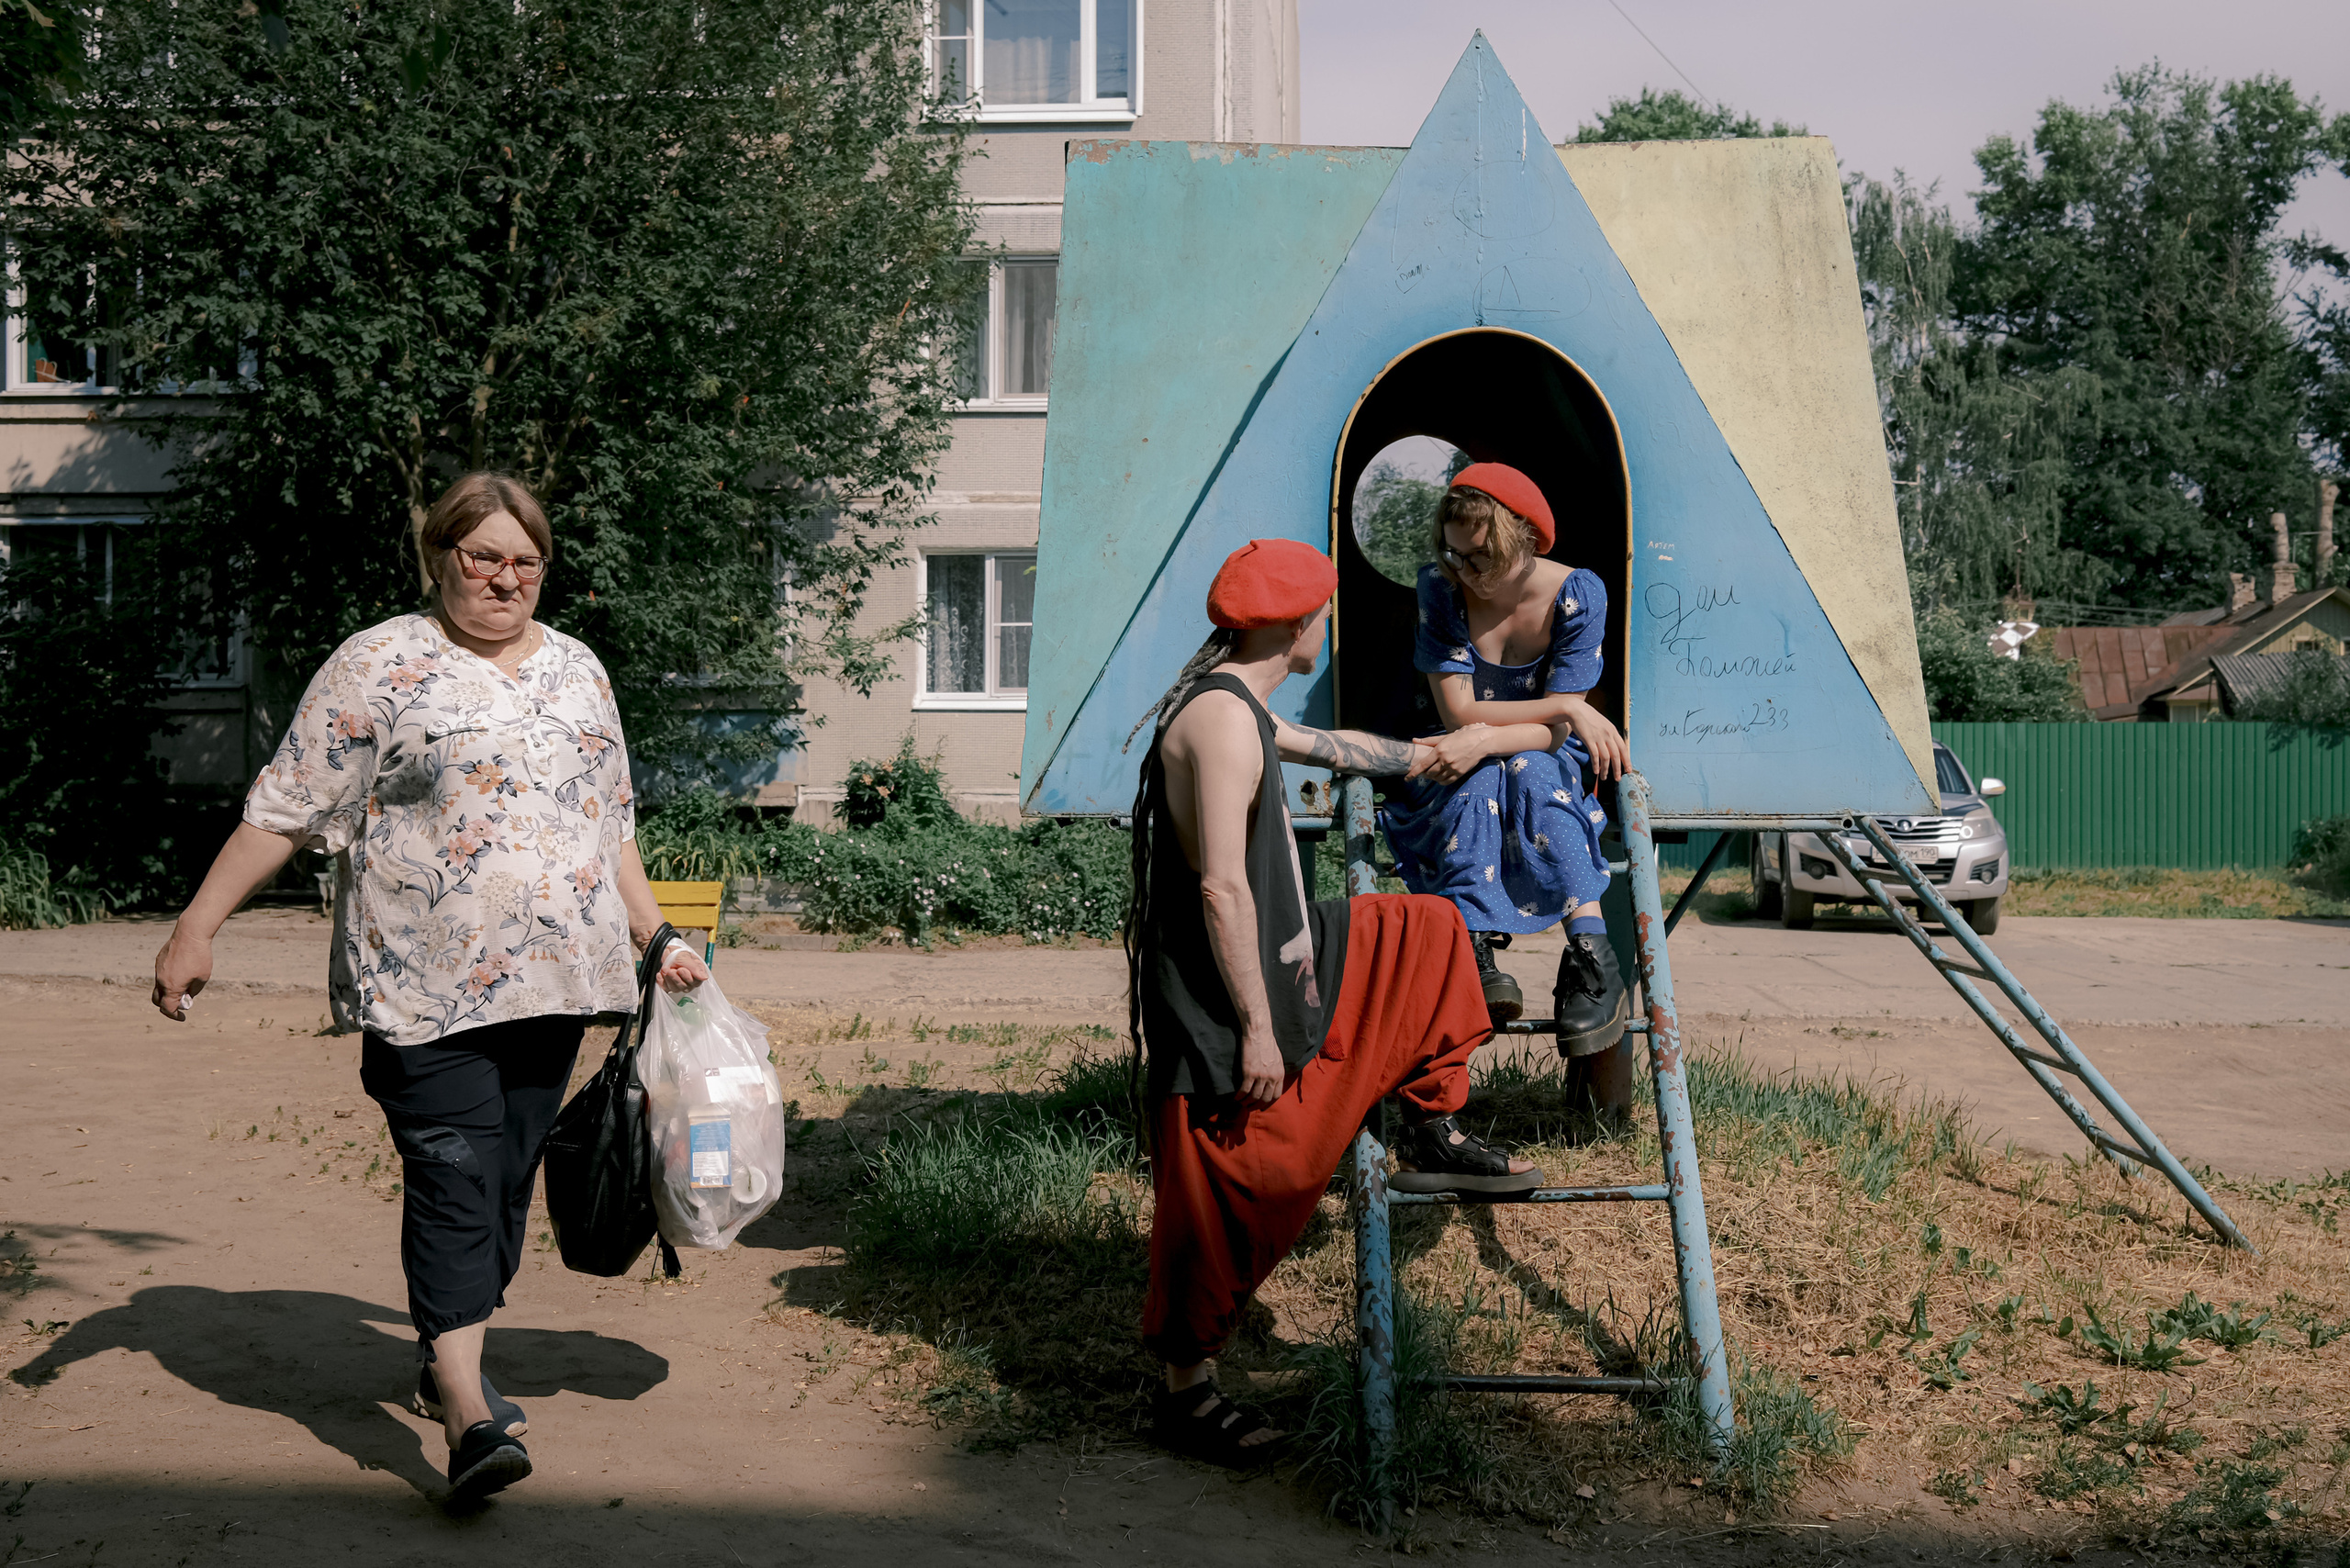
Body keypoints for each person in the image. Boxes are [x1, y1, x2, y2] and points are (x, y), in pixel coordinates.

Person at [150, 472, 709, 1503]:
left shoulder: (579, 670)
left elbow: (611, 827)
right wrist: (197, 927)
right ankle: (465, 1411)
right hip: (422, 987)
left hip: (555, 985)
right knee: (453, 1172)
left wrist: (658, 935)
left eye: (525, 561)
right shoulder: (378, 663)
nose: (506, 578)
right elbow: (285, 807)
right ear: (438, 556)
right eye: (483, 556)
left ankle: (443, 1348)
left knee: (503, 1182)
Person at [1125, 537, 1542, 1466]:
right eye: (1323, 614)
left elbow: (1343, 749)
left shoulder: (1242, 704)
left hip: (1288, 943)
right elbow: (1221, 888)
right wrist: (1257, 1032)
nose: (1329, 626)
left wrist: (1474, 742)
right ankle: (1186, 1393)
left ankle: (1431, 1123)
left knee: (1428, 929)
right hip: (1225, 988)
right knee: (1232, 1187)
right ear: (1294, 623)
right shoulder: (1221, 723)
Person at [1381, 463, 1630, 1056]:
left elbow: (1552, 735)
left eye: (1481, 557)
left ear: (1526, 542)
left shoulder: (1577, 595)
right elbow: (1458, 714)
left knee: (1532, 771)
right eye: (1454, 554)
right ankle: (1473, 950)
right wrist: (1563, 707)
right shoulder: (1442, 589)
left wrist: (1512, 731)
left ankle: (1592, 959)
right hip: (1451, 754)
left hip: (1542, 752)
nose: (1465, 571)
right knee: (1477, 775)